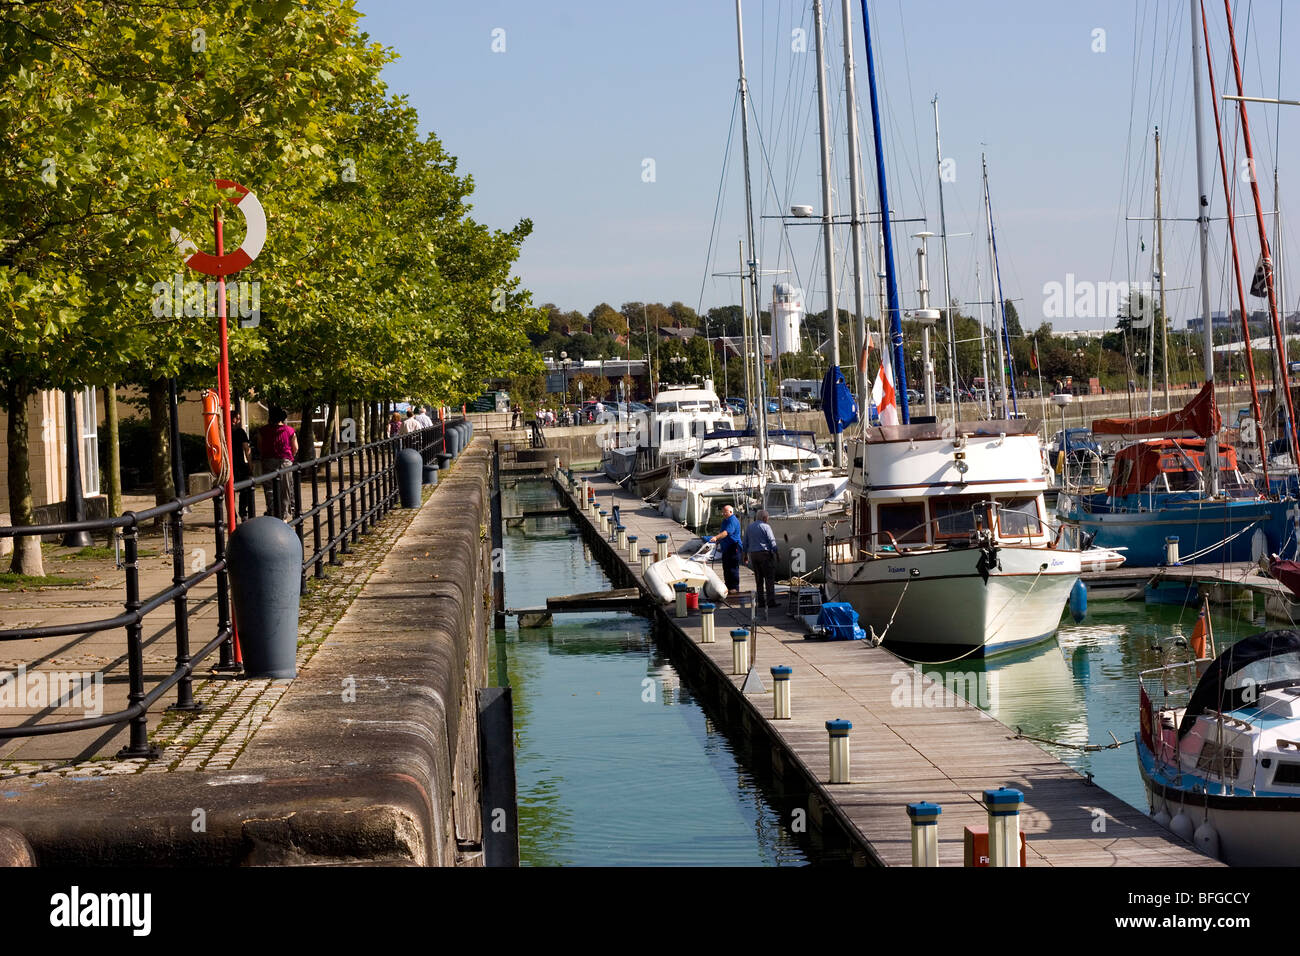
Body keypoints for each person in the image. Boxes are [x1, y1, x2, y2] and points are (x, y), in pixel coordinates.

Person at [260, 407, 298, 518]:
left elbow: (260, 446)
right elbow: (295, 447)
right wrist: (291, 457)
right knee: (285, 489)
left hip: (268, 461)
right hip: (285, 461)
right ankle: (284, 515)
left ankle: (272, 512)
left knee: (269, 489)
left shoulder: (263, 430)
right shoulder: (290, 430)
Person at [744, 509, 779, 618]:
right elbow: (771, 540)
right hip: (765, 555)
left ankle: (761, 602)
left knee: (759, 579)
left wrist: (745, 555)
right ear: (764, 518)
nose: (767, 519)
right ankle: (770, 601)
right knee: (769, 578)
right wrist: (777, 553)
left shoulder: (749, 527)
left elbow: (745, 542)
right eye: (767, 518)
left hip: (753, 555)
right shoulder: (766, 527)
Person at [704, 504, 743, 596]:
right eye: (723, 512)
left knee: (733, 567)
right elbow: (722, 533)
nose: (723, 513)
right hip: (726, 548)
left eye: (725, 512)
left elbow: (726, 533)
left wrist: (716, 538)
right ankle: (728, 585)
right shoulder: (725, 521)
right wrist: (719, 541)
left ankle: (734, 587)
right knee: (726, 567)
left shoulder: (732, 520)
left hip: (734, 547)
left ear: (730, 512)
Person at [230, 410, 254, 521]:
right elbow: (246, 449)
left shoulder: (223, 431)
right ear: (233, 419)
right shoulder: (240, 432)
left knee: (231, 490)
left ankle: (233, 514)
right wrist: (250, 465)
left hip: (229, 465)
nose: (239, 421)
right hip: (238, 464)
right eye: (237, 418)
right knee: (245, 488)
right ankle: (243, 512)